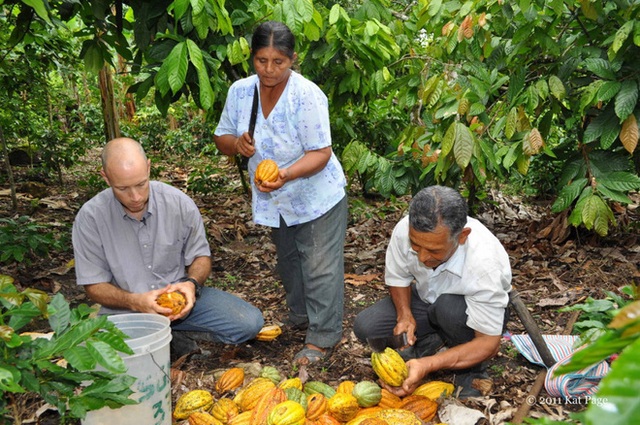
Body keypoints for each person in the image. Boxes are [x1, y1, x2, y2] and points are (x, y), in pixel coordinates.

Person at [213, 21, 348, 365]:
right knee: (290, 263)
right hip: (276, 200)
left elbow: (321, 153)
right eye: (261, 61)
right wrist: (237, 144)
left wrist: (285, 174)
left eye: (279, 62)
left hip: (317, 195)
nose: (269, 69)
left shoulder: (307, 95)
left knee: (319, 266)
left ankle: (322, 337)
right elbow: (222, 138)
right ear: (252, 58)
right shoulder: (241, 92)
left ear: (293, 60)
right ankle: (300, 317)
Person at [72, 137, 264, 358]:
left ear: (149, 167)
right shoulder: (91, 218)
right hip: (127, 310)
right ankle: (171, 341)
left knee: (249, 323)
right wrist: (135, 301)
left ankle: (178, 335)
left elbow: (200, 256)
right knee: (105, 355)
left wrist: (191, 285)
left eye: (141, 184)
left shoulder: (178, 203)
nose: (135, 197)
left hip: (181, 305)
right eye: (123, 188)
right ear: (105, 177)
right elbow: (93, 284)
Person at [353, 185, 512, 398]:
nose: (422, 258)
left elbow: (488, 343)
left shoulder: (484, 263)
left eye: (434, 251)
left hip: (465, 310)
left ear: (462, 236)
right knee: (368, 327)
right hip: (426, 299)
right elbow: (398, 277)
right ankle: (433, 340)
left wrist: (428, 365)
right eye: (416, 247)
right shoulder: (404, 231)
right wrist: (405, 315)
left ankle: (472, 371)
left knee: (448, 310)